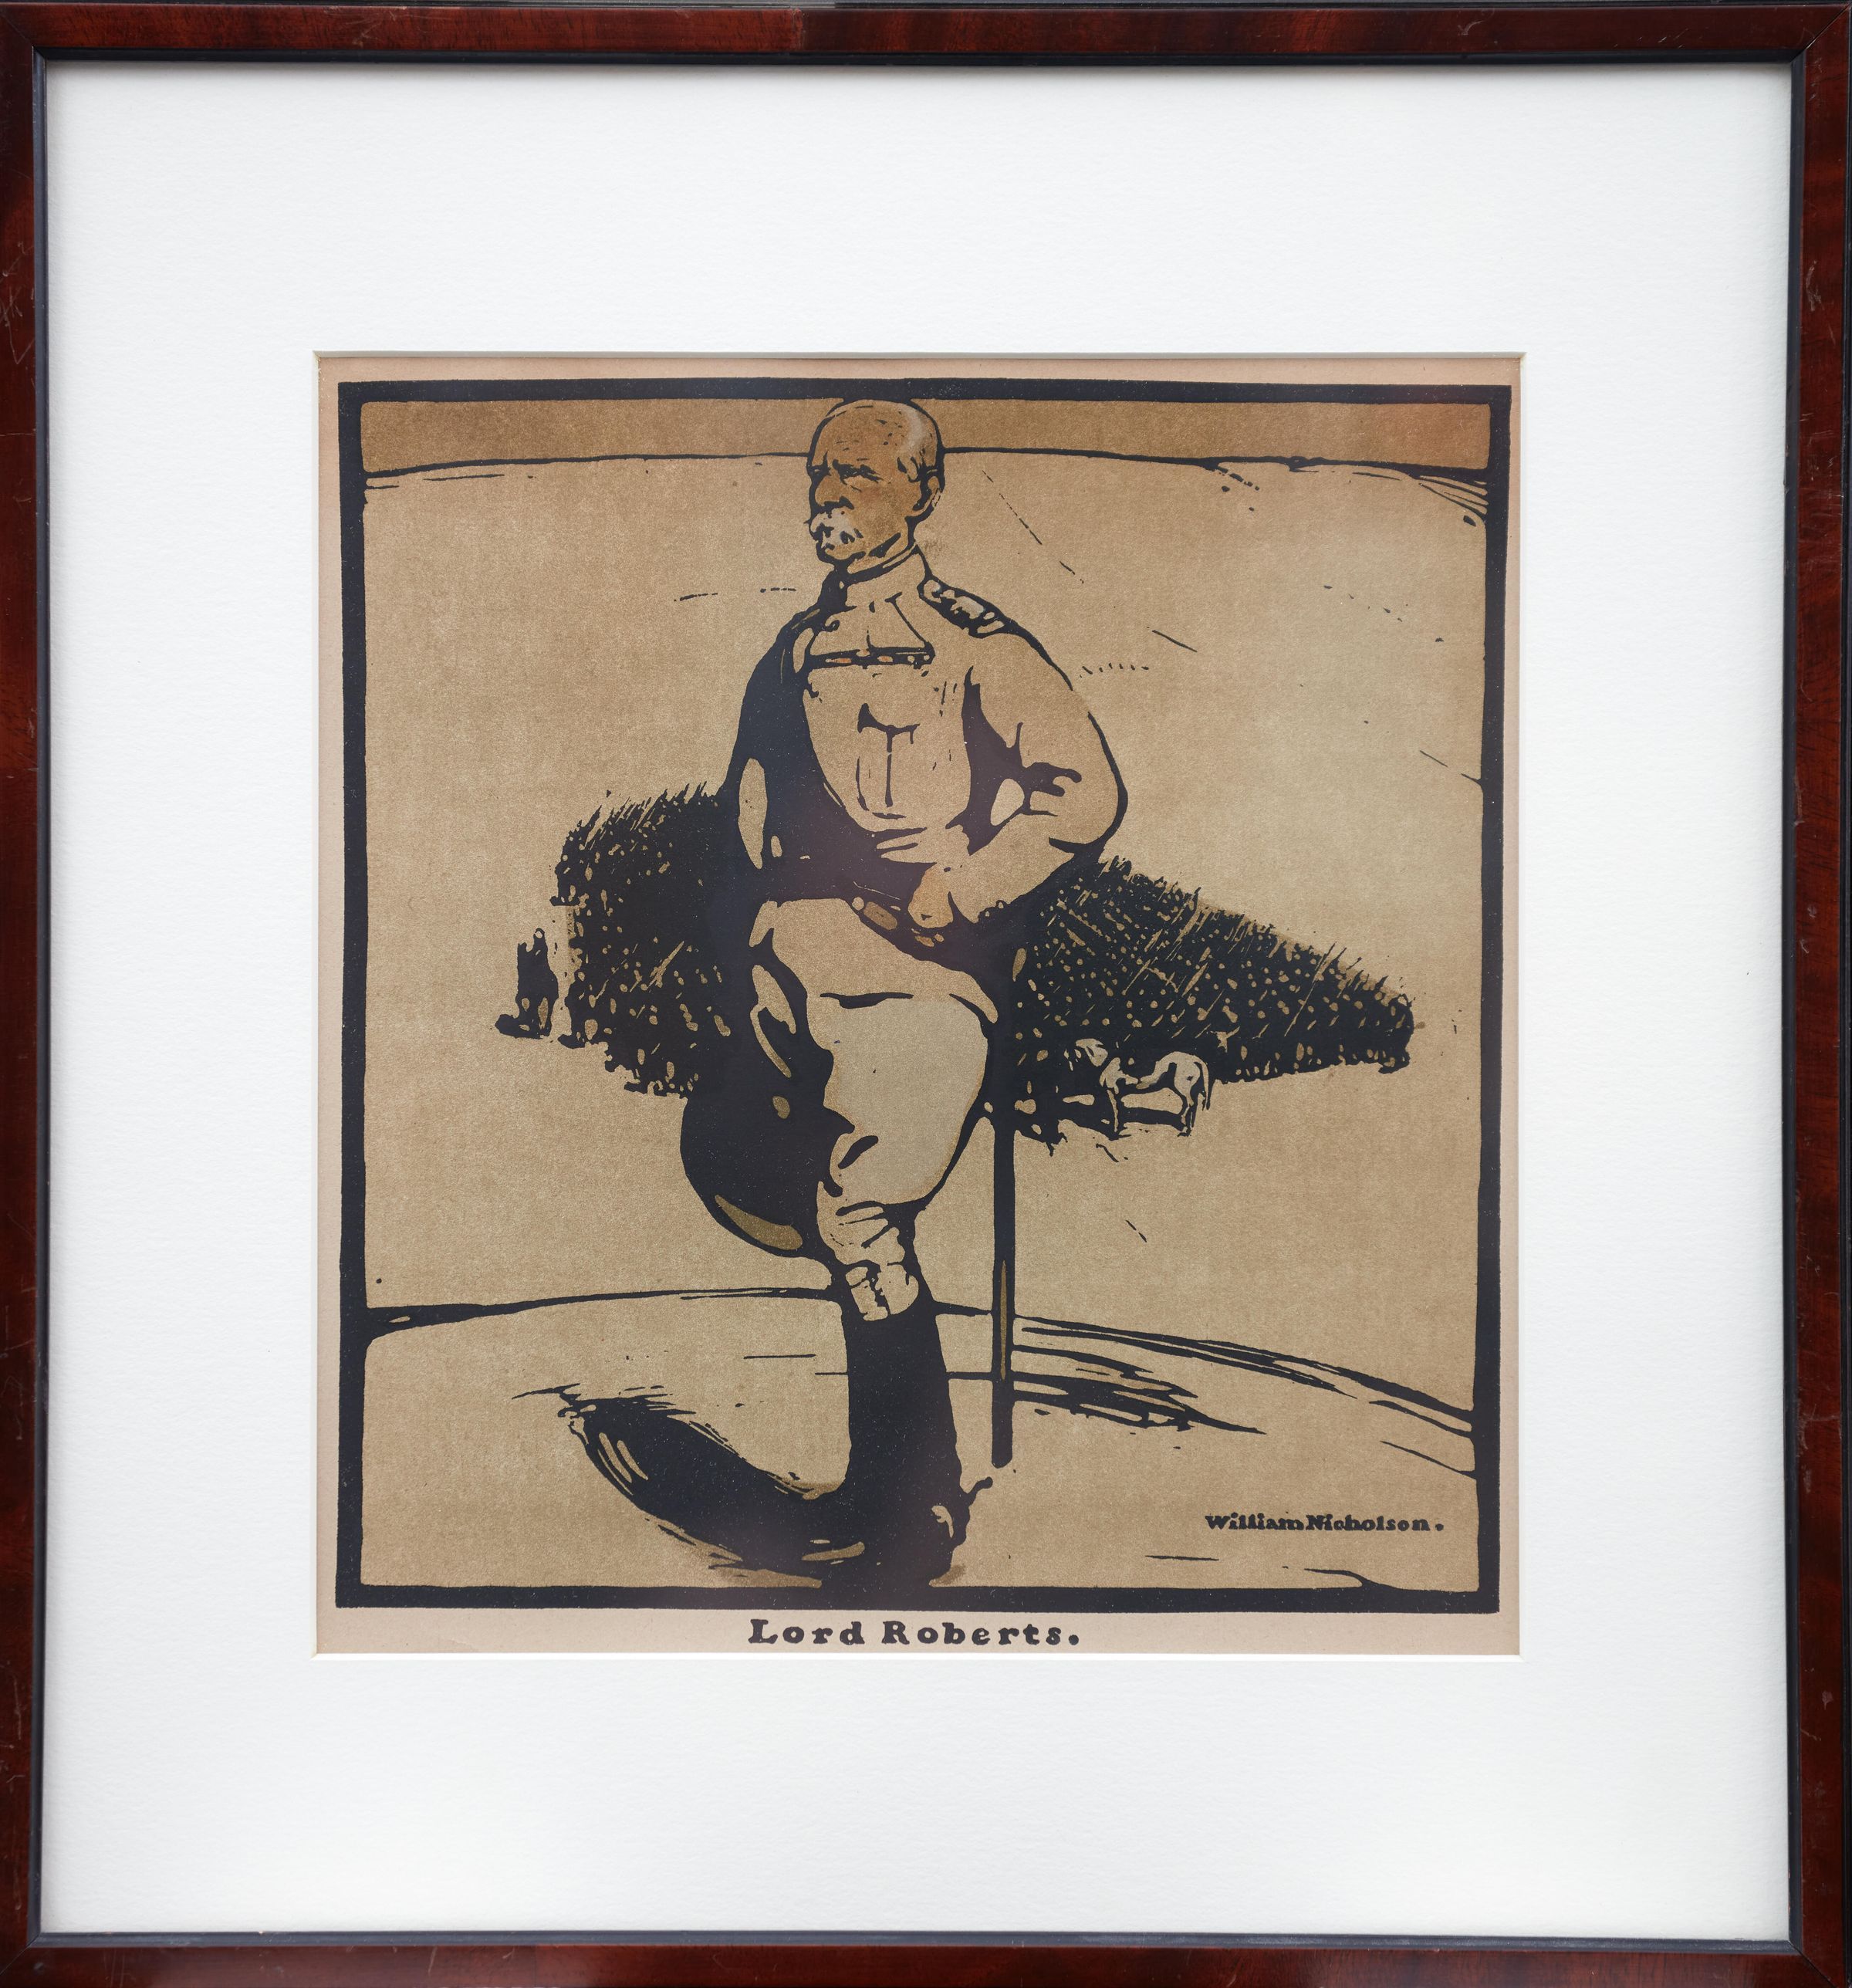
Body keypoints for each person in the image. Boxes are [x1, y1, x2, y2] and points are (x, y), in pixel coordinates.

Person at [681, 398, 1124, 1579]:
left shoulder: (970, 640)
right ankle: (885, 1489)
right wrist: (745, 944)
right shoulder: (791, 649)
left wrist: (969, 888)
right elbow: (747, 805)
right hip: (796, 969)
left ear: (921, 494)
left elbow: (1082, 791)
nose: (830, 496)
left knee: (862, 1219)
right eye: (821, 475)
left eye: (861, 477)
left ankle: (911, 1510)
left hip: (921, 983)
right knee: (810, 1208)